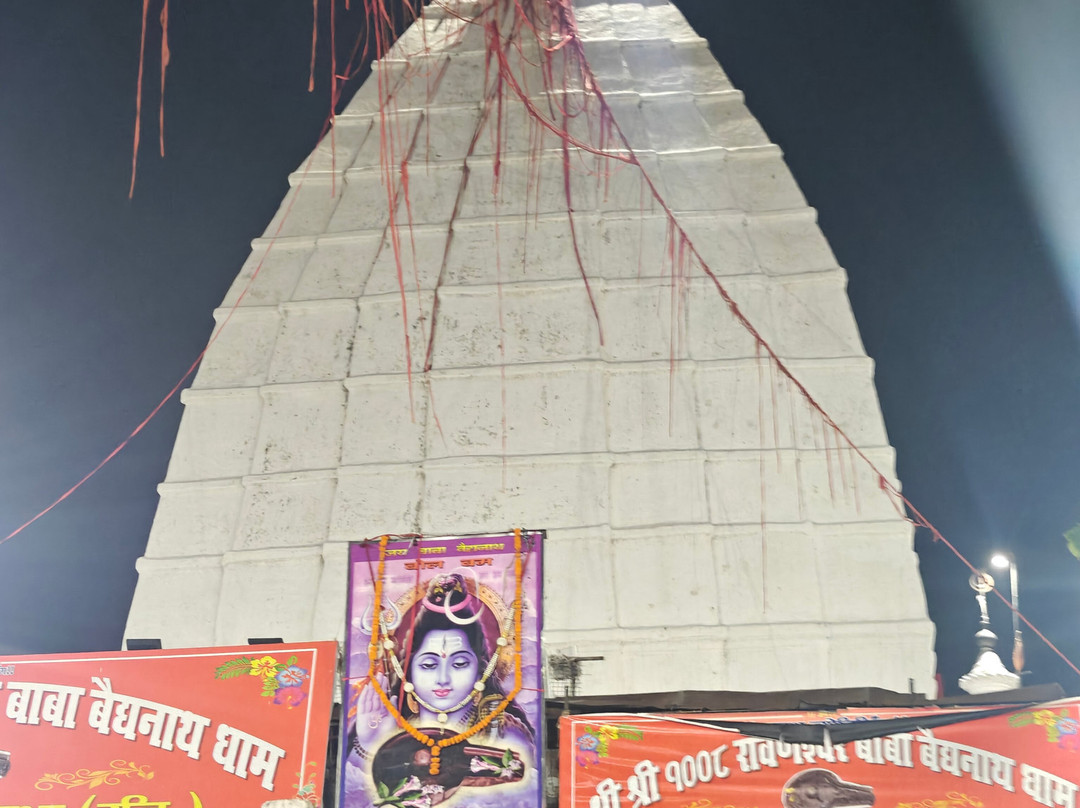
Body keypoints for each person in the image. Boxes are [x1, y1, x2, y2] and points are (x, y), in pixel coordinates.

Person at [344, 573, 534, 806]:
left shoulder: (503, 732)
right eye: (429, 664)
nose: (443, 679)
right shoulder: (397, 729)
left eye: (460, 663)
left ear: (480, 672)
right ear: (409, 673)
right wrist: (370, 743)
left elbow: (523, 795)